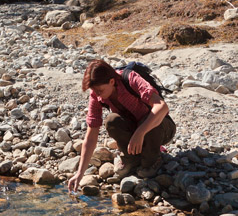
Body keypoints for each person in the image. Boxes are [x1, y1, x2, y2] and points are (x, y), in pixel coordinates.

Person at [67, 59, 175, 192]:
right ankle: (131, 159)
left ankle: (153, 160)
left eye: (100, 90)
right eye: (94, 91)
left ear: (112, 82)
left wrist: (140, 132)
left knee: (147, 123)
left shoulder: (130, 79)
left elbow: (162, 107)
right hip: (136, 127)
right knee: (112, 121)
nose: (97, 95)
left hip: (161, 127)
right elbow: (91, 135)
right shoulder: (96, 94)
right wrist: (79, 173)